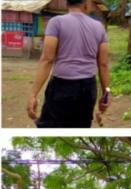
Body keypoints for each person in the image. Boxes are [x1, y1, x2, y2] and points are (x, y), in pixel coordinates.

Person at [27, 0, 110, 128]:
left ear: (67, 4)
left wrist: (33, 94)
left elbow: (47, 59)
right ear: (86, 4)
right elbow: (103, 64)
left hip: (62, 86)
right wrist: (105, 95)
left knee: (50, 126)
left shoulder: (56, 22)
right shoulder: (99, 27)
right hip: (88, 88)